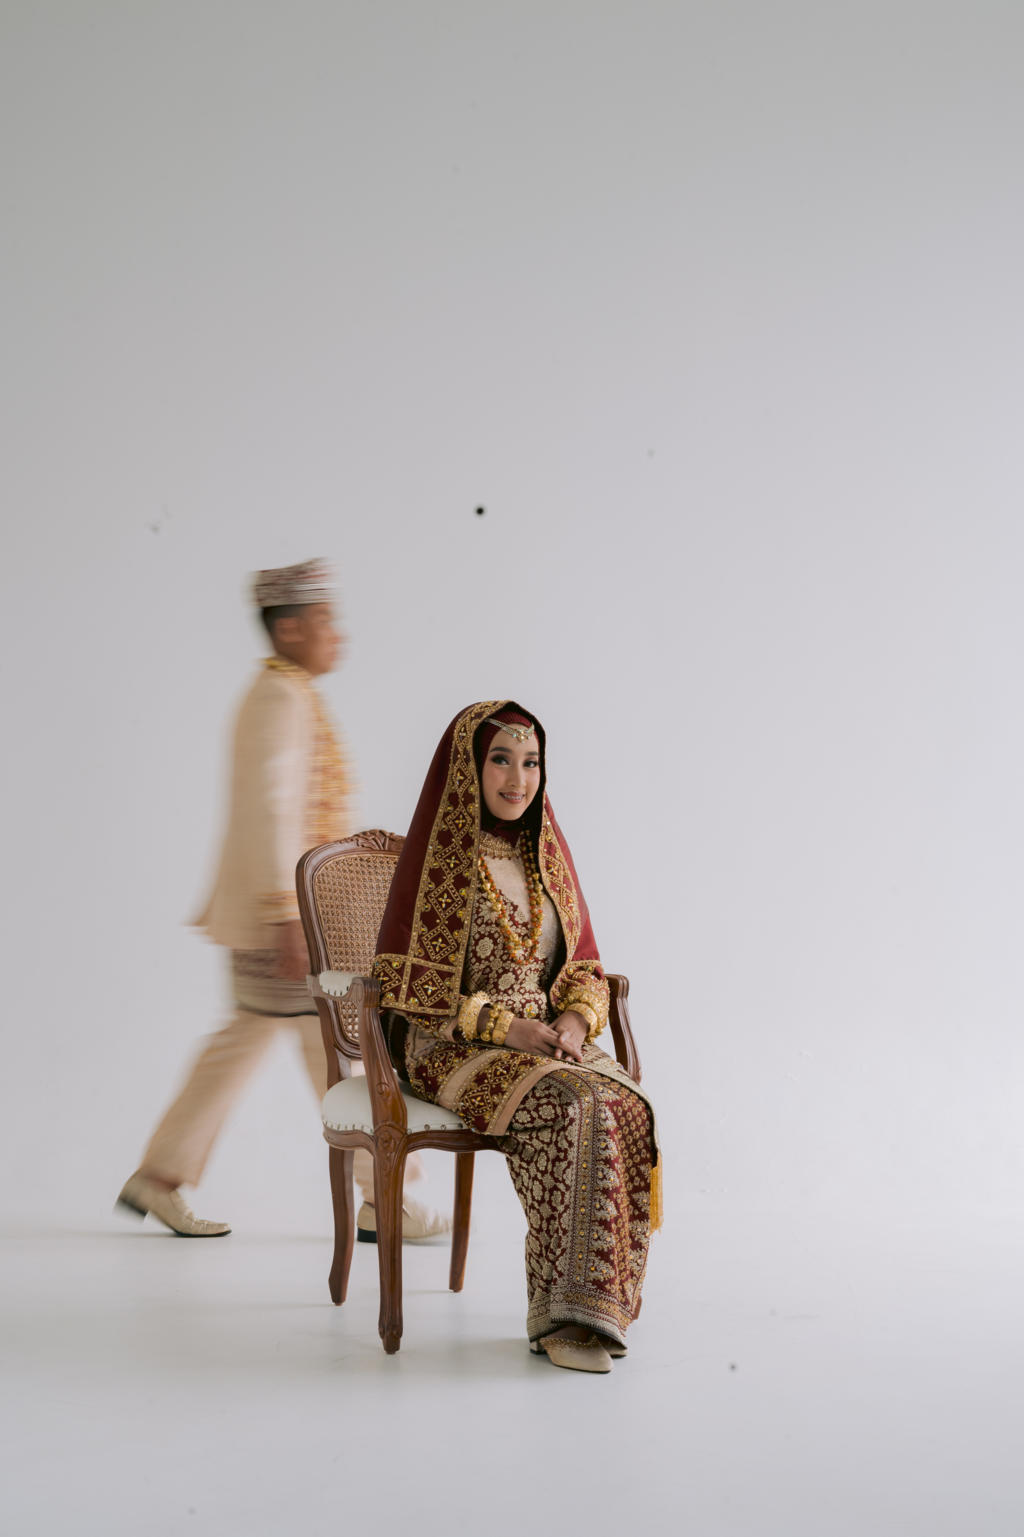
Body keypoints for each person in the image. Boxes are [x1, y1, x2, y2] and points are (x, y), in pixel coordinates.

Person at [117, 558, 448, 1243]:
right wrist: (286, 914)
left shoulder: (287, 691)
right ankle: (388, 1197)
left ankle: (160, 1175)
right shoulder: (279, 699)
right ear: (290, 629)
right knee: (348, 1051)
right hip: (288, 923)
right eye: (326, 620)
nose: (338, 633)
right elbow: (271, 808)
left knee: (251, 1043)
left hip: (285, 920)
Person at [373, 700, 659, 1372]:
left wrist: (575, 1019)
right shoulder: (443, 861)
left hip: (544, 1039)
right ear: (469, 768)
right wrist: (508, 1028)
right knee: (573, 1106)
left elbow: (583, 965)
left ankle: (602, 1304)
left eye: (531, 763)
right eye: (501, 759)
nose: (518, 778)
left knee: (625, 1102)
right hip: (450, 1044)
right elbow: (411, 992)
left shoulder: (544, 856)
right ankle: (560, 1318)